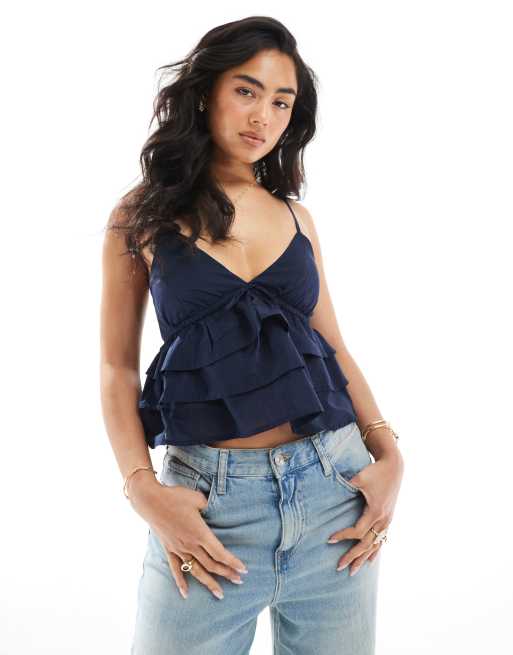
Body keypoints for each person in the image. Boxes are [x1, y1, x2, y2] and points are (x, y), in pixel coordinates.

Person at [100, 16, 404, 655]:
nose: (263, 116)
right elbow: (116, 369)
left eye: (281, 102)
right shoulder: (140, 216)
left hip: (334, 496)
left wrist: (389, 456)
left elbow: (334, 347)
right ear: (205, 92)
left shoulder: (297, 218)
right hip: (210, 507)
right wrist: (143, 490)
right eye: (246, 91)